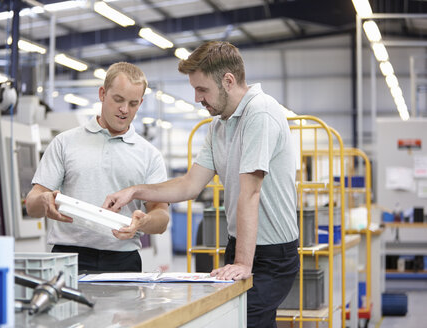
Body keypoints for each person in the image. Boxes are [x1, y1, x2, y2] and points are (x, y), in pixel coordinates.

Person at [103, 41, 299, 328]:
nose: (197, 98)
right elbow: (189, 185)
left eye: (202, 89)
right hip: (239, 246)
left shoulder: (261, 113)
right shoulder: (219, 125)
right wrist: (135, 191)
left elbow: (251, 192)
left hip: (272, 255)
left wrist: (244, 264)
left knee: (245, 320)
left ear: (228, 81)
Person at [26, 62, 169, 273]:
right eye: (118, 100)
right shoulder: (65, 142)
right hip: (68, 258)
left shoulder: (150, 155)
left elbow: (162, 218)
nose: (124, 110)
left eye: (133, 103)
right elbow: (32, 205)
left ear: (140, 103)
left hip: (124, 260)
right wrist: (43, 200)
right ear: (102, 93)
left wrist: (144, 222)